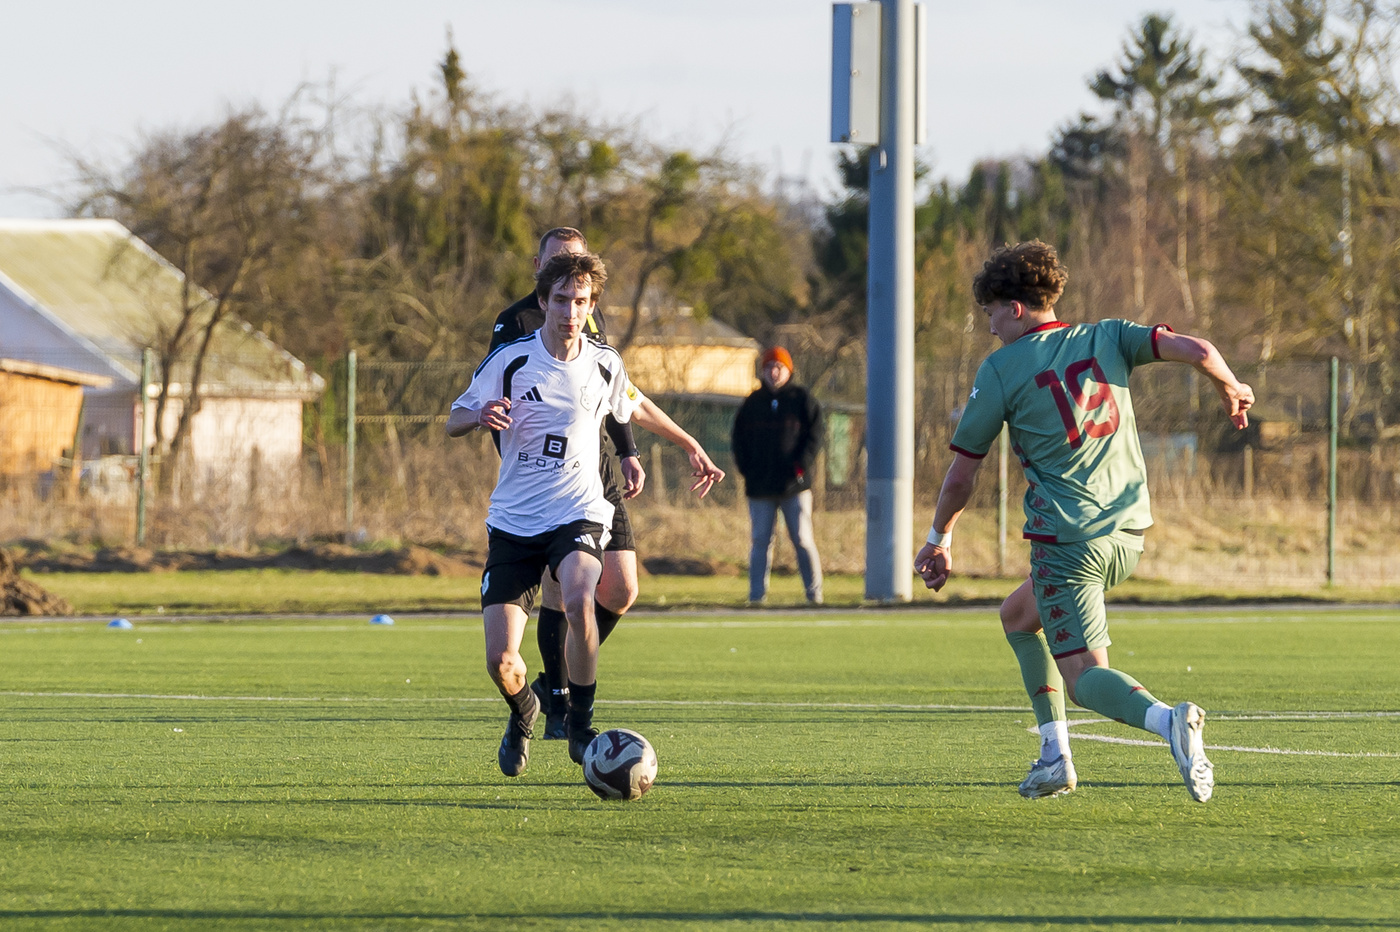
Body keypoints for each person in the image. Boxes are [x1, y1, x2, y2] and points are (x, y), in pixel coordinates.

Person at [914, 240, 1254, 803]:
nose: (990, 327)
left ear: (1015, 308)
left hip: (1068, 542)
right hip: (1128, 535)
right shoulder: (1108, 335)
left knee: (1084, 679)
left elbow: (960, 477)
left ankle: (1169, 720)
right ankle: (1054, 758)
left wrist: (938, 539)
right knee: (1018, 617)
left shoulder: (1001, 369)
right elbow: (1198, 348)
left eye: (992, 314)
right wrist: (1230, 387)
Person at [448, 251, 725, 775]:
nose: (570, 312)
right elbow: (453, 418)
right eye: (561, 300)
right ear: (544, 301)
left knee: (579, 599)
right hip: (514, 522)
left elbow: (637, 406)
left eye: (580, 302)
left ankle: (580, 724)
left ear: (591, 305)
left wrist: (690, 444)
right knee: (502, 663)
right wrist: (478, 414)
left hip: (578, 511)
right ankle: (525, 710)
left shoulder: (604, 362)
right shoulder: (511, 360)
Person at [487, 227, 645, 740]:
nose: (571, 303)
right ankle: (551, 702)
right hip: (531, 494)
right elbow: (485, 403)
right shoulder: (515, 327)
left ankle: (571, 704)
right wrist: (518, 460)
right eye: (560, 270)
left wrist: (631, 451)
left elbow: (622, 398)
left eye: (581, 293)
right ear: (540, 274)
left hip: (590, 479)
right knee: (554, 608)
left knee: (608, 591)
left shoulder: (597, 335)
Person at [731, 346, 825, 604]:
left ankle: (814, 596)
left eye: (779, 367)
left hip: (794, 486)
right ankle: (756, 597)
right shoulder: (752, 403)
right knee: (760, 541)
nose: (773, 372)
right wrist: (747, 470)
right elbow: (738, 440)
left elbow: (816, 435)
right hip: (760, 487)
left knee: (802, 539)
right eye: (769, 367)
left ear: (788, 370)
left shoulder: (802, 399)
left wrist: (801, 466)